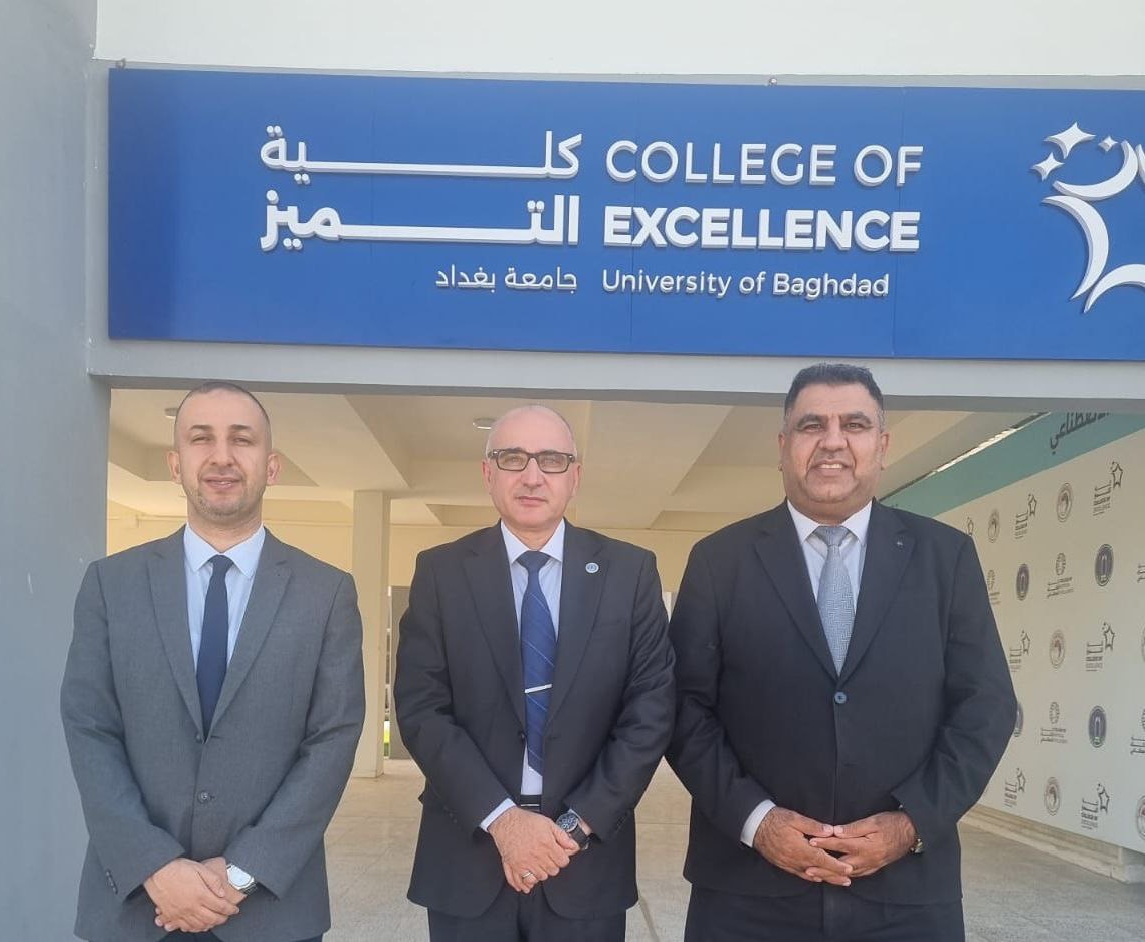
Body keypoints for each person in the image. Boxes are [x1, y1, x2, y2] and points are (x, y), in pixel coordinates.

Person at [667, 363, 1015, 942]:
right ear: (783, 446)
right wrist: (758, 822)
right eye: (812, 426)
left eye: (854, 424)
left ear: (882, 445)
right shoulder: (718, 562)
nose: (832, 441)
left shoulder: (946, 558)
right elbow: (683, 709)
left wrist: (911, 822)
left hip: (906, 896)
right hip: (747, 893)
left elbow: (987, 706)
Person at [61, 381, 365, 942]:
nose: (221, 456)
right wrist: (154, 866)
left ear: (271, 466)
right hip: (135, 908)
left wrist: (242, 873)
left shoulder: (326, 594)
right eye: (201, 438)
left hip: (270, 911)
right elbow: (90, 728)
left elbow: (333, 740)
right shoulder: (111, 585)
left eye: (241, 440)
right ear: (175, 464)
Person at [395, 404, 675, 941]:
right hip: (468, 853)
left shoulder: (630, 572)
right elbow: (421, 708)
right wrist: (503, 820)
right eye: (512, 458)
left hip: (584, 859)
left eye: (551, 459)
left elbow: (651, 711)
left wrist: (573, 827)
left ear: (575, 476)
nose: (531, 475)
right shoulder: (441, 572)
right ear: (487, 473)